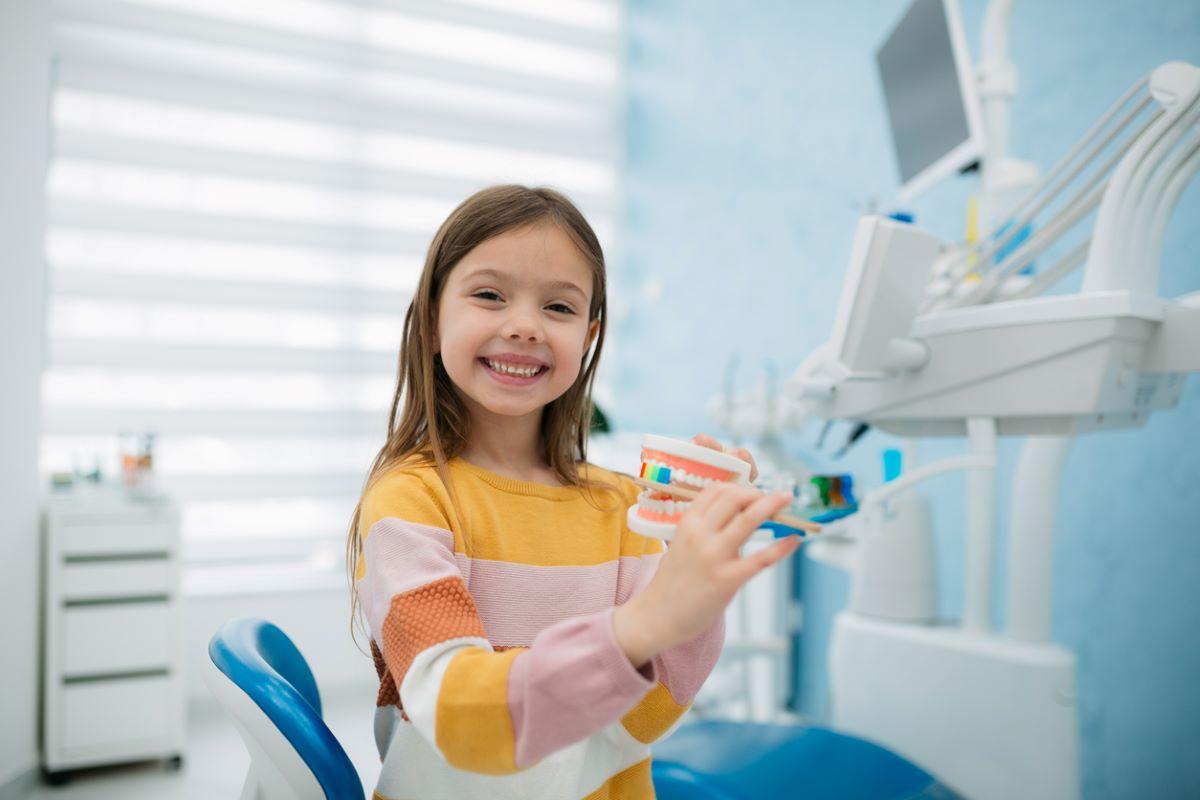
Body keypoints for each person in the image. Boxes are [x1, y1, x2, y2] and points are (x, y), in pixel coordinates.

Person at [347, 185, 801, 800]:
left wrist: (699, 575)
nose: (525, 327)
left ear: (586, 339)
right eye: (489, 295)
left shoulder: (617, 507)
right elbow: (458, 715)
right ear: (431, 320)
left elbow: (648, 714)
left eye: (559, 309)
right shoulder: (409, 503)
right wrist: (643, 623)